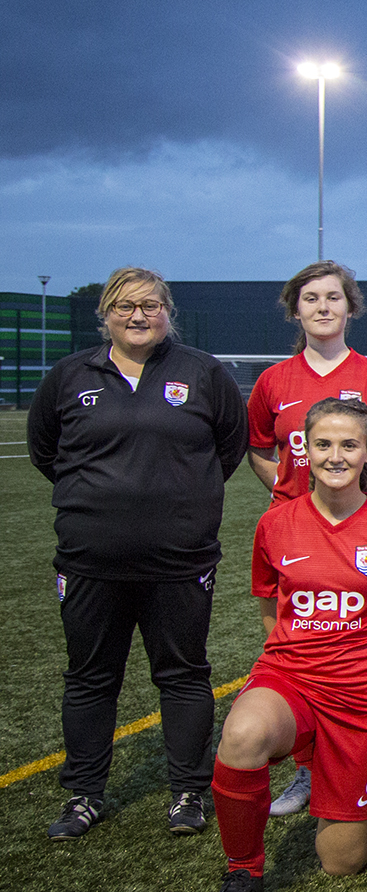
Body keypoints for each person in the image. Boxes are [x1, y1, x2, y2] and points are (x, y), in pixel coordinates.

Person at [30, 267, 247, 840]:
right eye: (124, 306)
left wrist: (179, 504)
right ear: (105, 314)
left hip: (180, 561)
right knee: (90, 678)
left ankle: (187, 794)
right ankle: (83, 795)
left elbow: (228, 448)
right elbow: (45, 450)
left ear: (166, 311)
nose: (137, 316)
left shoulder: (202, 373)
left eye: (150, 305)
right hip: (89, 562)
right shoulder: (70, 375)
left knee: (181, 674)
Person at [200, 399, 367, 892]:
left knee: (342, 863)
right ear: (302, 450)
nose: (335, 456)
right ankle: (243, 873)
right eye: (322, 444)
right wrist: (294, 665)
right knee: (241, 735)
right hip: (291, 678)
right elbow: (268, 606)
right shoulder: (275, 524)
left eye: (349, 445)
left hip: (362, 696)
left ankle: (341, 781)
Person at [245, 260, 367, 819]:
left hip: (364, 530)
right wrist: (292, 492)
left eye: (333, 298)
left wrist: (366, 490)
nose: (322, 307)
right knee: (301, 641)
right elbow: (260, 450)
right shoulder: (274, 380)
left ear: (350, 307)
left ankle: (362, 766)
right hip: (299, 530)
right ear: (296, 309)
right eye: (311, 298)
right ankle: (306, 767)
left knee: (365, 650)